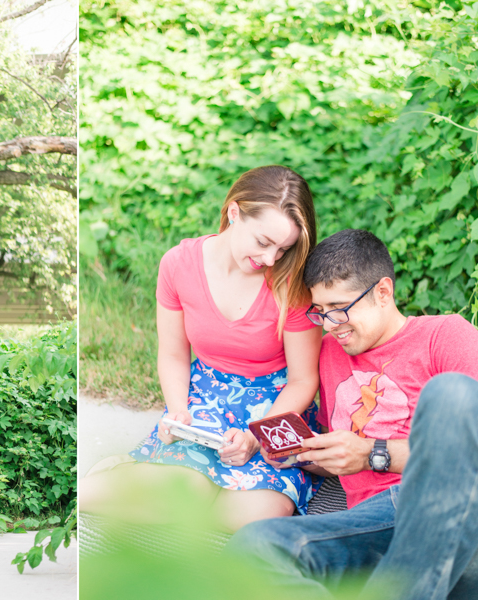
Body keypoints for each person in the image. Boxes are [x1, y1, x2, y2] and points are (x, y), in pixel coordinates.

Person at [226, 229, 478, 599]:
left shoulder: (444, 335)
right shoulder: (329, 354)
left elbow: (467, 452)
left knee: (453, 394)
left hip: (450, 513)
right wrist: (306, 454)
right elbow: (347, 455)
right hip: (373, 529)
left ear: (383, 292)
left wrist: (371, 453)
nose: (330, 324)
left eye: (340, 307)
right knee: (253, 546)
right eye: (320, 312)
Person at [80, 165, 324, 532]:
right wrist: (179, 411)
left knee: (256, 516)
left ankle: (152, 495)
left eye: (284, 248)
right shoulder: (179, 264)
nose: (272, 259)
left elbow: (303, 379)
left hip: (275, 407)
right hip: (207, 399)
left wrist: (257, 437)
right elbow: (174, 354)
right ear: (234, 212)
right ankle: (107, 483)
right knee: (183, 495)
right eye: (263, 242)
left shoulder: (291, 281)